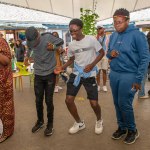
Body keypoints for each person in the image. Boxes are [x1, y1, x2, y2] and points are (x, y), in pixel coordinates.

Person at [107, 8, 149, 144]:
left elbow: (145, 58)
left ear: (127, 21)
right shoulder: (113, 36)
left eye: (119, 22)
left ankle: (132, 130)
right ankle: (122, 127)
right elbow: (108, 53)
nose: (116, 25)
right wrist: (110, 54)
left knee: (124, 104)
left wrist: (138, 79)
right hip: (114, 74)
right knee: (116, 103)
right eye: (114, 22)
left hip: (129, 75)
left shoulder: (137, 35)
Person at [56, 19, 105, 134]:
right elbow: (72, 59)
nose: (72, 33)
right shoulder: (71, 45)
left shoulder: (91, 40)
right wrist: (62, 67)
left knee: (94, 103)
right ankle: (79, 123)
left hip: (90, 74)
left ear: (81, 29)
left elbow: (102, 52)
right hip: (77, 73)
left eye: (75, 31)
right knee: (68, 100)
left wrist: (92, 64)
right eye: (70, 31)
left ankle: (99, 120)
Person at [24, 27, 64, 136]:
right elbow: (29, 49)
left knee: (48, 101)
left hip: (50, 74)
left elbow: (61, 41)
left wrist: (54, 47)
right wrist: (27, 58)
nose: (33, 43)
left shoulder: (47, 37)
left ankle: (50, 124)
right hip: (38, 74)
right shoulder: (29, 41)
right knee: (38, 100)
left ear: (38, 35)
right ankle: (40, 121)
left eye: (35, 41)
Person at [0, 37, 15, 143]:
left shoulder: (1, 41)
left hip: (3, 83)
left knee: (6, 109)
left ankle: (7, 132)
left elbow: (6, 60)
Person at [96, 25, 109, 92]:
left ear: (103, 29)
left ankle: (104, 85)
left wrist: (109, 57)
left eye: (100, 29)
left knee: (104, 70)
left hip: (105, 56)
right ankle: (98, 85)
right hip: (97, 56)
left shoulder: (107, 37)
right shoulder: (96, 37)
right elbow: (94, 45)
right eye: (98, 29)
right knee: (98, 71)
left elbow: (109, 47)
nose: (99, 30)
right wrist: (97, 36)